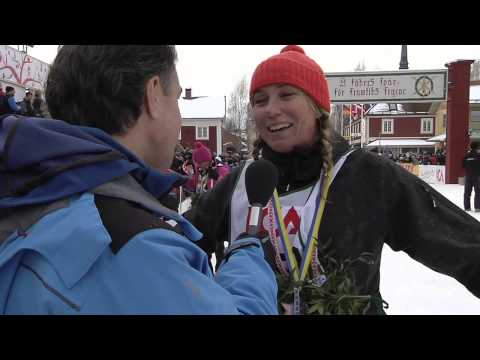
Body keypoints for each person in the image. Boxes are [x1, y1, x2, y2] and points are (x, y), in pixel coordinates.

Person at [185, 45, 480, 315]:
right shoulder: (243, 182)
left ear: (317, 107)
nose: (271, 109)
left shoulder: (366, 175)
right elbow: (178, 251)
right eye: (260, 100)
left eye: (287, 94)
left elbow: (462, 244)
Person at [0, 45, 277, 315]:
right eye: (177, 98)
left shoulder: (26, 194)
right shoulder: (132, 247)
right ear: (154, 94)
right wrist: (248, 254)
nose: (180, 118)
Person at [462, 140, 480, 212]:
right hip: (477, 176)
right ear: (477, 147)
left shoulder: (466, 156)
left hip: (468, 176)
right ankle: (477, 207)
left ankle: (467, 208)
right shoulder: (479, 156)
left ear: (470, 147)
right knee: (478, 192)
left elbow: (463, 165)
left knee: (467, 193)